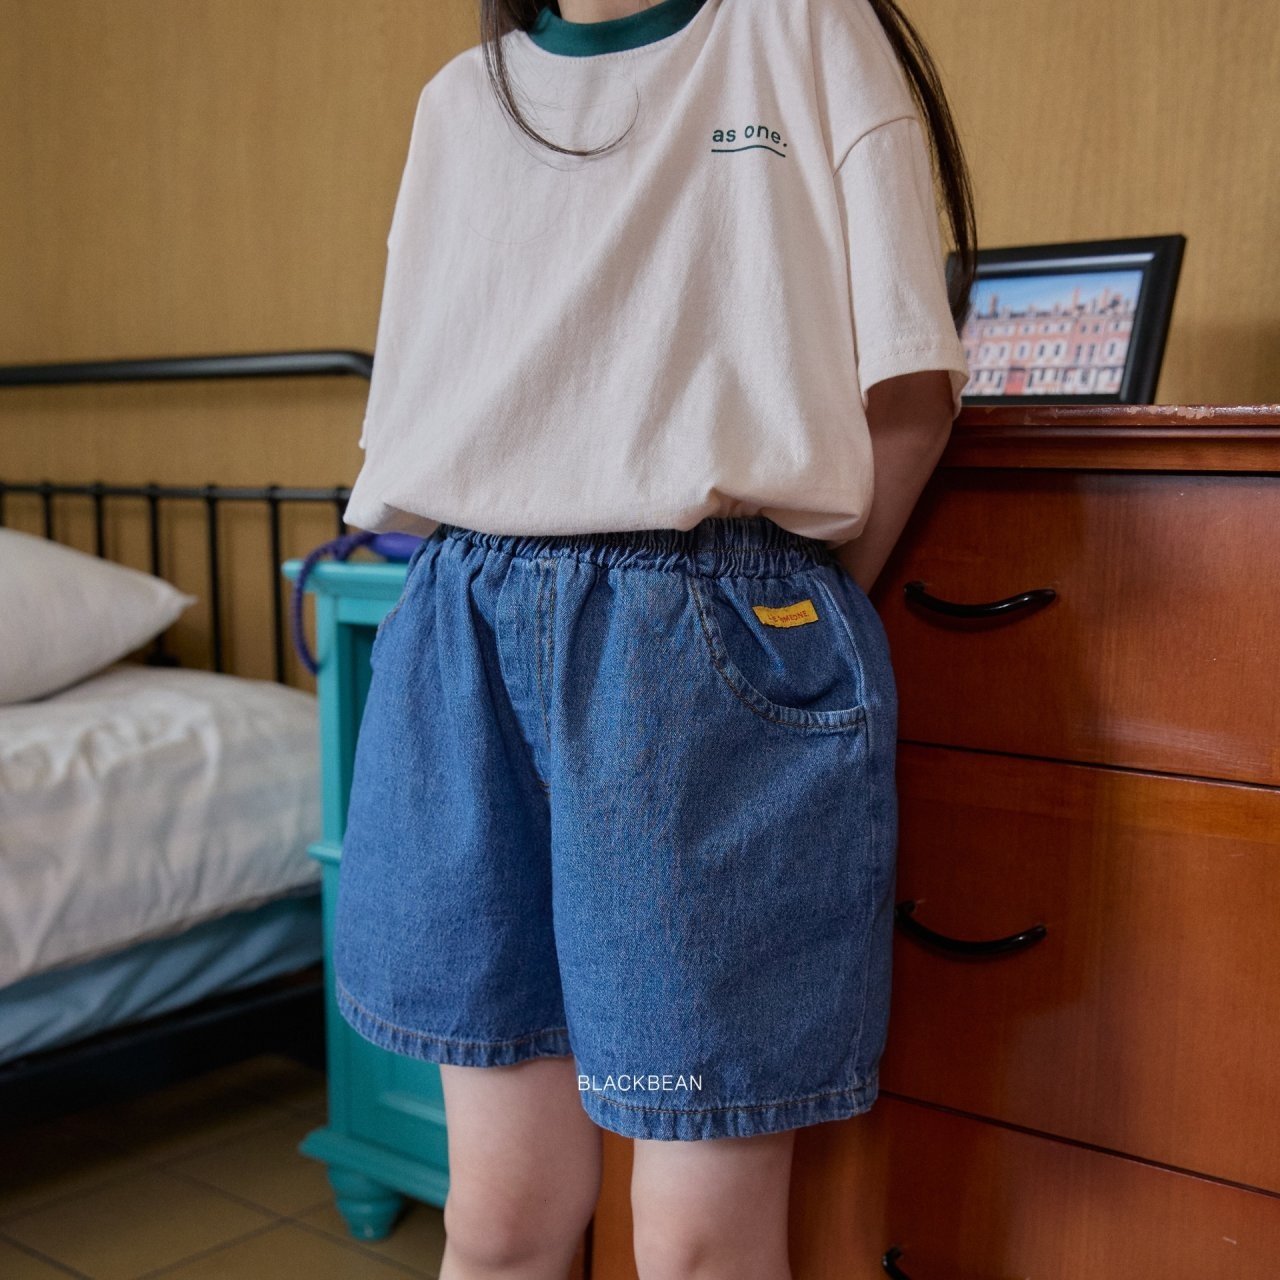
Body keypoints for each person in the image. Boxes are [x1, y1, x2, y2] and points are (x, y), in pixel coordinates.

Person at [335, 0, 976, 1275]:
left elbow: (908, 386)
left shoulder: (797, 28)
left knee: (694, 1241)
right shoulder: (461, 102)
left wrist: (768, 621)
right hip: (462, 629)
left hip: (701, 638)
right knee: (499, 1220)